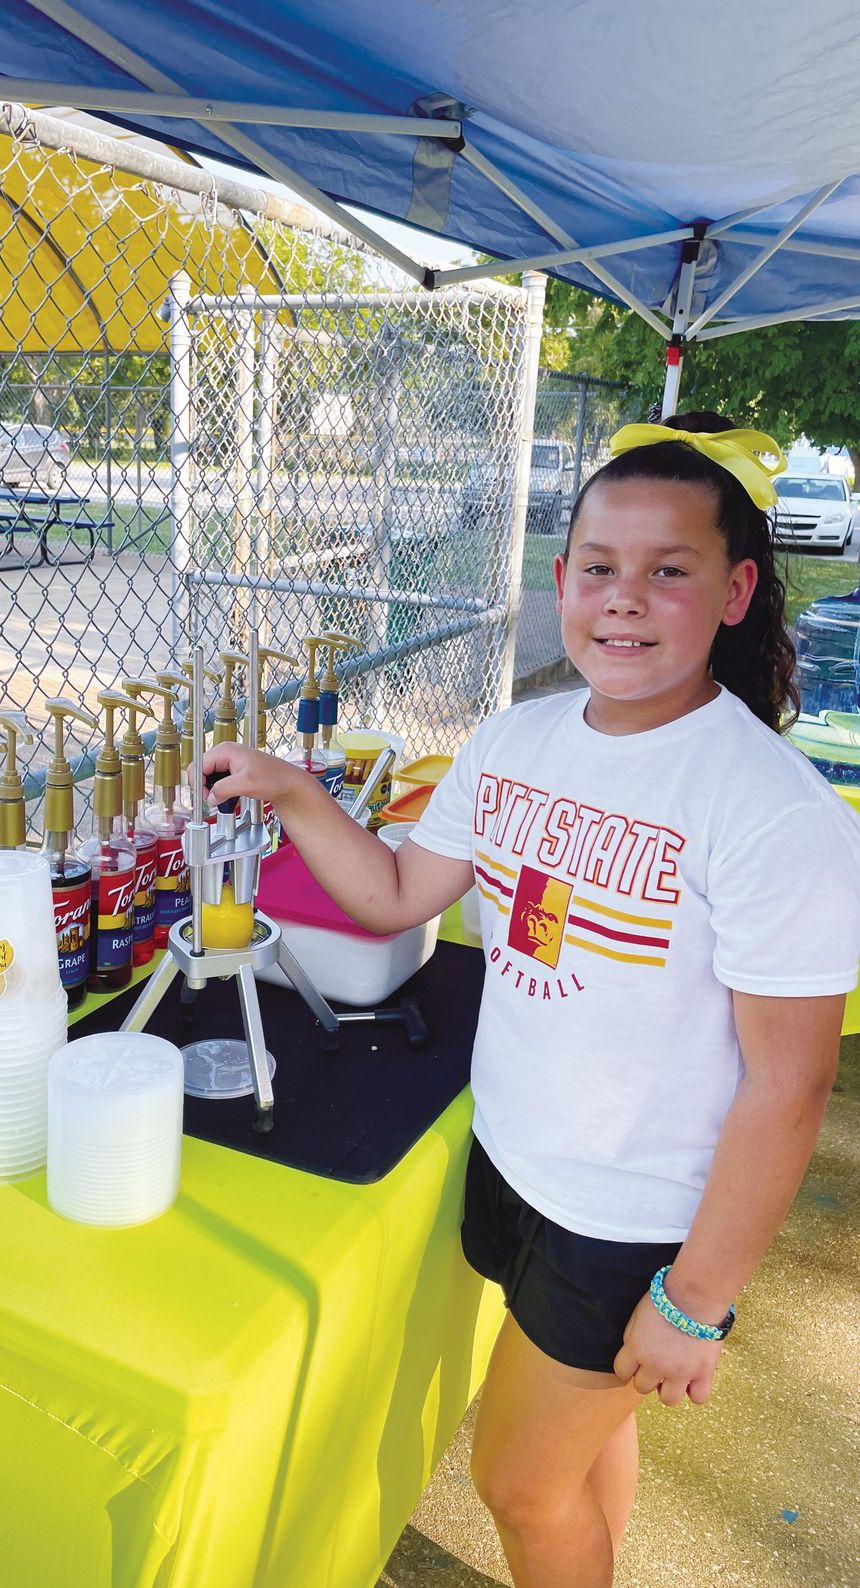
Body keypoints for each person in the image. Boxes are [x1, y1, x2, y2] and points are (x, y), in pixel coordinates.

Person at [201, 413, 860, 1587]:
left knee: (516, 1478)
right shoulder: (518, 738)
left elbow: (790, 1080)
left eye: (670, 571)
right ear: (559, 583)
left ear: (736, 590)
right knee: (581, 1441)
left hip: (638, 1219)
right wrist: (296, 793)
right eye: (600, 569)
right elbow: (401, 891)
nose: (625, 599)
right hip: (515, 1158)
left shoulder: (772, 809)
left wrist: (697, 1299)